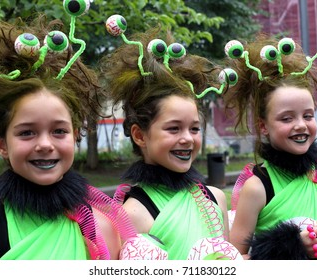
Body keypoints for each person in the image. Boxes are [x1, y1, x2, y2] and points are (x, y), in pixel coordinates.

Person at [0, 11, 135, 260]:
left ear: (75, 134)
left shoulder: (102, 229)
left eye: (59, 131)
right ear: (1, 143)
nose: (45, 144)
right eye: (27, 133)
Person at [99, 15, 242, 260]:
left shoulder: (216, 199)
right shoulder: (129, 214)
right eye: (174, 129)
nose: (187, 139)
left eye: (194, 129)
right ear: (140, 135)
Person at [222, 28, 317, 259]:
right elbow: (235, 260)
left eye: (308, 115)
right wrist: (290, 249)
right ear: (263, 125)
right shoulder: (256, 189)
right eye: (286, 118)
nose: (301, 125)